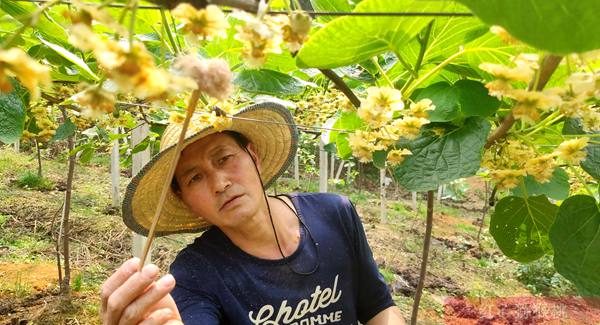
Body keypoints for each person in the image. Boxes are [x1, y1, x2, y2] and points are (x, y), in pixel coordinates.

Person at [100, 102, 406, 325]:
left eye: (224, 158)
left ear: (254, 157)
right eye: (195, 178)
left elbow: (379, 307)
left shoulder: (335, 213)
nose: (220, 184)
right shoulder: (195, 274)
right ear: (185, 199)